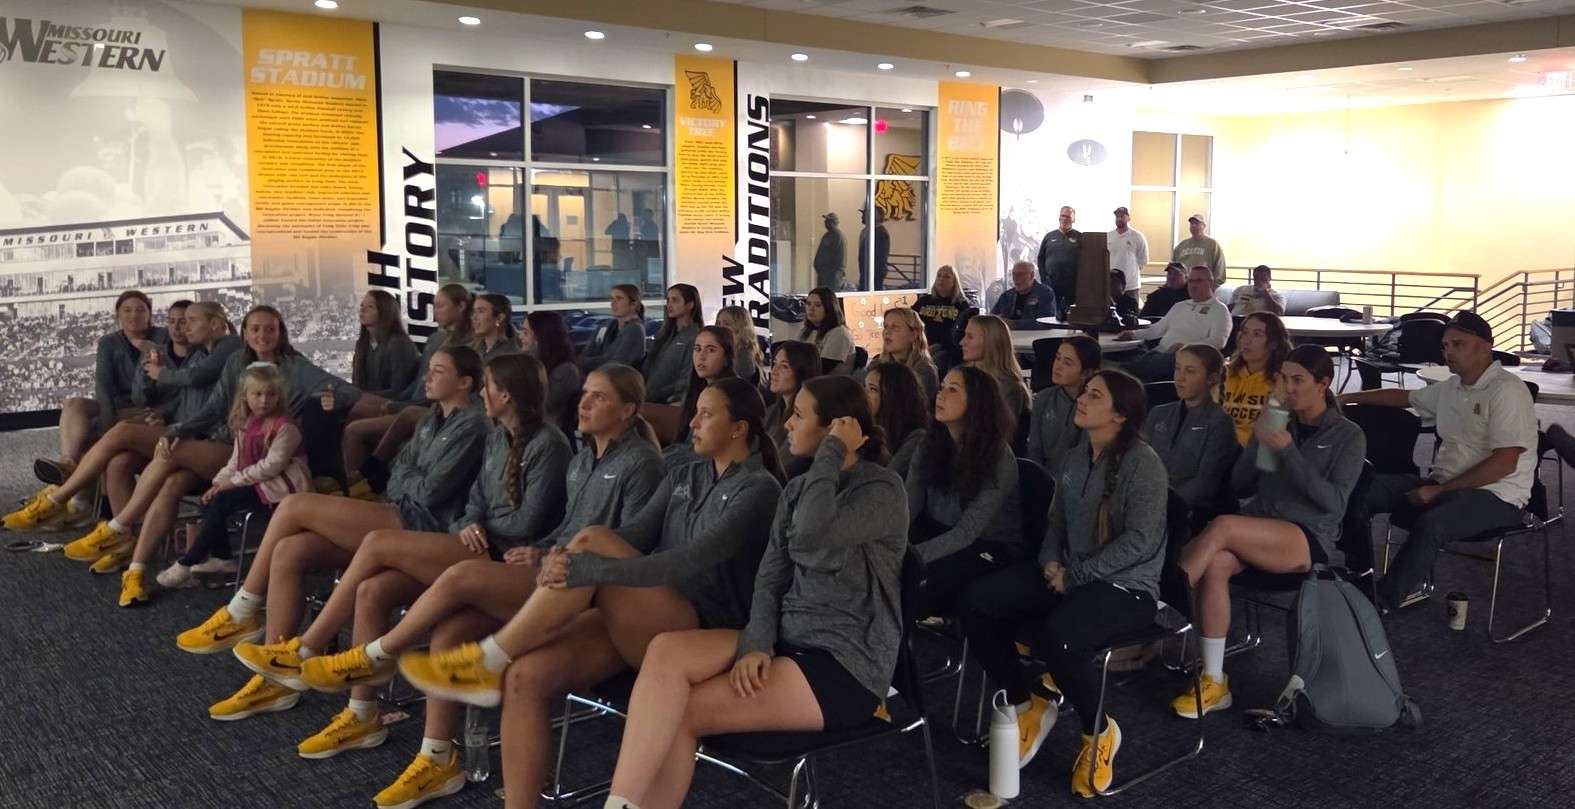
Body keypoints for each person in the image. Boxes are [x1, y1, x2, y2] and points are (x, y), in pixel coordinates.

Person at [386, 378, 783, 809]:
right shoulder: (686, 472)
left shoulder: (759, 489)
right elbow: (636, 533)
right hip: (646, 612)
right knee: (525, 678)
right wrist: (564, 556)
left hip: (702, 627)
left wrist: (591, 565)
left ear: (739, 428)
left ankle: (488, 658)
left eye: (706, 415)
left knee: (592, 540)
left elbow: (687, 560)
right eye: (696, 412)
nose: (692, 423)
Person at [281, 364, 659, 809]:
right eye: (585, 394)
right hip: (546, 568)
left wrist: (534, 550)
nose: (584, 402)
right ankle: (437, 759)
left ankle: (375, 656)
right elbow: (556, 527)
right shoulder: (582, 456)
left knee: (456, 577)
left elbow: (630, 544)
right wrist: (526, 544)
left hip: (585, 589)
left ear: (628, 410)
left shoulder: (639, 463)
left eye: (598, 397)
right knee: (448, 631)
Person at [240, 355, 570, 801]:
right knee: (374, 588)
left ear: (505, 394)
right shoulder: (496, 435)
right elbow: (469, 499)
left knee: (376, 544)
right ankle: (362, 714)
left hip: (500, 557)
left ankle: (309, 647)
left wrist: (479, 526)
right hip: (473, 542)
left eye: (488, 386)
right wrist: (469, 523)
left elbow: (525, 520)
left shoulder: (547, 443)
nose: (483, 395)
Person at [597, 375, 907, 809]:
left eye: (799, 416)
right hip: (784, 639)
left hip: (842, 663)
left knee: (683, 713)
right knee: (667, 650)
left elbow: (814, 532)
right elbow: (770, 576)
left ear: (839, 426)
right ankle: (621, 802)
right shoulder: (798, 488)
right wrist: (758, 643)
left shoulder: (880, 490)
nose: (786, 426)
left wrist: (834, 452)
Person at [176, 346, 488, 722]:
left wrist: (408, 479)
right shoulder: (430, 419)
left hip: (424, 525)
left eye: (438, 371)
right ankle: (277, 677)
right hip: (401, 509)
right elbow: (396, 476)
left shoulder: (471, 424)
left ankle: (243, 611)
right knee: (292, 550)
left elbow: (430, 491)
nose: (428, 376)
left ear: (465, 382)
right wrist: (408, 479)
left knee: (294, 507)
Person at [957, 369, 1168, 795]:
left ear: (1121, 415)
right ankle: (1025, 700)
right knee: (976, 602)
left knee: (1060, 637)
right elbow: (1055, 523)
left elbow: (1141, 541)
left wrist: (1077, 574)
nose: (1081, 401)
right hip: (1067, 572)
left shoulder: (1143, 464)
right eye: (1084, 393)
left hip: (1127, 586)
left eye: (1094, 396)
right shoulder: (1076, 456)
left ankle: (1099, 731)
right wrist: (1052, 560)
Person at [25, 306, 358, 577]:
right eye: (255, 329)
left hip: (252, 457)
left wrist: (334, 400)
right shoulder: (235, 362)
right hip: (224, 447)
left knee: (163, 447)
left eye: (270, 329)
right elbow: (211, 408)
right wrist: (175, 428)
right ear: (244, 333)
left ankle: (96, 516)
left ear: (280, 332)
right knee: (165, 476)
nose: (262, 336)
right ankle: (137, 565)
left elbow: (340, 388)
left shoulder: (293, 367)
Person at [1173, 345, 1364, 718]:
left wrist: (1290, 452)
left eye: (1298, 380)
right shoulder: (1281, 421)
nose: (1287, 388)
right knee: (1217, 563)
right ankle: (1214, 679)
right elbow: (1242, 485)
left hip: (1307, 537)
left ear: (1323, 384)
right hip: (1260, 526)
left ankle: (1163, 600)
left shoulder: (1347, 435)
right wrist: (1260, 440)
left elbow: (1333, 503)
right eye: (1283, 379)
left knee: (1223, 526)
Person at [1339, 312, 1536, 611]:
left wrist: (1438, 492)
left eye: (1458, 344)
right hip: (1444, 483)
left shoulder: (1507, 391)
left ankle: (1379, 602)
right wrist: (1346, 398)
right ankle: (1360, 575)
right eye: (1445, 346)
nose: (1449, 353)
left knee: (1432, 523)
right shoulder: (1452, 387)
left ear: (1485, 347)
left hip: (1498, 495)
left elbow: (1505, 463)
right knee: (1359, 491)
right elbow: (1404, 397)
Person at [7, 302, 239, 533]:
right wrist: (157, 399)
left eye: (189, 321)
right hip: (174, 424)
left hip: (206, 439)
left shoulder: (229, 347)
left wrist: (163, 382)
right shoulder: (195, 353)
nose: (183, 328)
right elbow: (172, 398)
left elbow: (200, 391)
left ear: (216, 324)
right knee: (119, 462)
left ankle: (58, 498)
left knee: (122, 431)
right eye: (175, 321)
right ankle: (125, 538)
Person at [152, 363, 313, 593]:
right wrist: (218, 482)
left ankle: (188, 561)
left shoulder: (286, 428)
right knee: (209, 499)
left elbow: (271, 466)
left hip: (281, 488)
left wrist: (232, 483)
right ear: (245, 396)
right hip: (255, 482)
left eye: (271, 394)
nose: (264, 400)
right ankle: (222, 557)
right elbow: (235, 462)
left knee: (222, 500)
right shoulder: (246, 424)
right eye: (257, 394)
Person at [906, 366, 1022, 614]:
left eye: (952, 389)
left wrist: (911, 557)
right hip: (938, 530)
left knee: (915, 582)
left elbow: (967, 532)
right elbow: (909, 506)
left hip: (986, 544)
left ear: (976, 403)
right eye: (941, 388)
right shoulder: (929, 443)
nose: (940, 395)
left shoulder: (998, 457)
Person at [340, 283, 472, 494]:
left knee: (355, 419)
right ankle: (353, 479)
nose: (435, 312)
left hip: (425, 406)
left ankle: (360, 483)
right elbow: (417, 383)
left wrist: (396, 404)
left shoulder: (463, 347)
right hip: (414, 400)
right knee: (352, 404)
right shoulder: (435, 339)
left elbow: (411, 388)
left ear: (461, 306)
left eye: (440, 306)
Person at [33, 290, 168, 493]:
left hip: (149, 406)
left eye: (140, 310)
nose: (134, 315)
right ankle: (68, 463)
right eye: (127, 310)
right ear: (118, 315)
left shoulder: (162, 337)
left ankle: (79, 498)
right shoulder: (109, 342)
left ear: (149, 314)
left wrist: (104, 430)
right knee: (73, 404)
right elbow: (102, 385)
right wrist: (107, 422)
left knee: (88, 433)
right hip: (119, 404)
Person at [1144, 344, 1239, 520]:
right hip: (1146, 499)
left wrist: (1159, 506)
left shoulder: (1220, 422)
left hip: (1185, 511)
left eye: (1190, 371)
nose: (1179, 378)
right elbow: (1139, 462)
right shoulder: (1158, 413)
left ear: (1211, 378)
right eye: (1177, 369)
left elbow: (1205, 484)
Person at [1118, 266, 1232, 383]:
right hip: (1159, 352)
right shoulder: (1180, 306)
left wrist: (1186, 346)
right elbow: (1157, 329)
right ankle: (1125, 371)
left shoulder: (1220, 310)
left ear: (1211, 283)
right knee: (1131, 354)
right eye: (1191, 281)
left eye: (1198, 281)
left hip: (1186, 359)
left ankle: (1123, 371)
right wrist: (1133, 334)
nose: (1193, 285)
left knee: (1132, 366)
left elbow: (1218, 342)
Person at [1025, 335, 1100, 473]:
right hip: (1045, 478)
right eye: (1057, 358)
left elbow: (1086, 457)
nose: (1057, 366)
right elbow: (1034, 449)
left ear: (1086, 373)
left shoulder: (1095, 407)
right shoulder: (1043, 398)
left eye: (1068, 363)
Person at [346, 289, 421, 420]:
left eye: (370, 307)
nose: (362, 310)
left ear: (385, 312)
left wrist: (362, 397)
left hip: (393, 404)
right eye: (362, 306)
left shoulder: (399, 344)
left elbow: (400, 389)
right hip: (366, 400)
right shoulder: (362, 343)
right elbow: (357, 383)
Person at [1222, 312, 1292, 446]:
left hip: (1255, 452)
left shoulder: (1282, 380)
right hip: (1220, 448)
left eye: (1257, 334)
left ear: (1273, 343)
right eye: (1245, 332)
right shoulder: (1226, 373)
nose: (1247, 340)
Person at [672, 326, 739, 446]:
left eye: (710, 350)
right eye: (697, 349)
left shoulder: (732, 394)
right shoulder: (698, 387)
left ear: (727, 358)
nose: (701, 357)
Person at [521, 311, 583, 432]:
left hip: (550, 433)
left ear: (540, 336)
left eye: (526, 332)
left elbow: (537, 404)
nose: (520, 336)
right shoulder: (531, 361)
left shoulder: (566, 371)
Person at [860, 307, 939, 402]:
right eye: (885, 326)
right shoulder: (876, 365)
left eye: (895, 327)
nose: (887, 332)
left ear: (913, 335)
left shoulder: (925, 371)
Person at [863, 361, 930, 474]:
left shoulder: (917, 437)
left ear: (892, 396)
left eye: (873, 389)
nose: (864, 394)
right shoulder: (868, 426)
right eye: (865, 387)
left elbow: (887, 478)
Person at [960, 314, 1030, 419]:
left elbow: (1003, 432)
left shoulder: (1009, 389)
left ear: (990, 342)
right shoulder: (964, 377)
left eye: (970, 337)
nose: (962, 342)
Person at [644, 284, 703, 403]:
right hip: (648, 397)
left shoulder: (695, 337)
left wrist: (657, 395)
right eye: (668, 300)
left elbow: (686, 378)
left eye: (675, 300)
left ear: (690, 305)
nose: (669, 305)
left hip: (666, 402)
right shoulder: (666, 333)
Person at [763, 341, 821, 453]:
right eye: (775, 363)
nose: (774, 371)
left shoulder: (803, 422)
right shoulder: (774, 410)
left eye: (784, 366)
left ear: (802, 373)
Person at [578, 283, 648, 373]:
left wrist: (584, 363)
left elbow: (618, 363)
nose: (613, 303)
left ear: (633, 304)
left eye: (619, 298)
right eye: (611, 298)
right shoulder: (607, 326)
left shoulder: (635, 330)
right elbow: (589, 350)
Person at [913, 265, 971, 371]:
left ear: (954, 282)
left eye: (946, 277)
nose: (941, 279)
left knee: (934, 362)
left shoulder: (961, 305)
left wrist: (937, 346)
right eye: (939, 276)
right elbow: (909, 321)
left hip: (946, 348)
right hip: (920, 345)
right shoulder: (924, 301)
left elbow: (959, 334)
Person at [799, 287, 856, 374]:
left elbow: (823, 368)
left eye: (817, 305)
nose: (811, 308)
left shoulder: (839, 333)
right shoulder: (806, 331)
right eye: (808, 304)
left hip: (829, 383)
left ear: (829, 308)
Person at [1036, 206, 1082, 307]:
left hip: (1071, 285)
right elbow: (1040, 258)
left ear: (1073, 219)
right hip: (1051, 283)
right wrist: (1044, 278)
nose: (1065, 219)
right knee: (1050, 312)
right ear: (1059, 217)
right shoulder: (1049, 236)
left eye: (1068, 217)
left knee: (1069, 315)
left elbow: (1085, 261)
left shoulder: (1080, 237)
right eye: (1063, 216)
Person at [992, 260, 1058, 329]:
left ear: (1032, 275)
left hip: (1034, 337)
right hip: (1008, 336)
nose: (1016, 278)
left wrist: (1014, 324)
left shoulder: (1045, 293)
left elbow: (1046, 322)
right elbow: (992, 317)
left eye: (1020, 274)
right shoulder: (1006, 296)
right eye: (1014, 274)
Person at [1107, 206, 1149, 310]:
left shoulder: (1138, 236)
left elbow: (1142, 261)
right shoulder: (1109, 236)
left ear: (1128, 218)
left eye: (1122, 216)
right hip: (1111, 287)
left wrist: (1129, 275)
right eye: (1117, 216)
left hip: (1131, 287)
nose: (1119, 219)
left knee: (1131, 316)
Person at [716, 305, 766, 387]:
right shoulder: (729, 351)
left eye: (727, 324)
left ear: (741, 327)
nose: (720, 328)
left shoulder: (742, 355)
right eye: (718, 323)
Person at [1172, 214, 1226, 287]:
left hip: (1202, 286)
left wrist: (1214, 286)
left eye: (1197, 223)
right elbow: (1174, 266)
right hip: (1183, 286)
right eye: (1191, 223)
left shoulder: (1212, 244)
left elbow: (1220, 266)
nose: (1193, 225)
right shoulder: (1181, 245)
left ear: (1204, 226)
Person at [470, 293, 521, 362]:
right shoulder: (472, 348)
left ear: (499, 318)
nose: (474, 317)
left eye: (480, 311)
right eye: (474, 312)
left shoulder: (513, 353)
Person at [813, 211, 847, 291]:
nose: (825, 222)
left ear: (833, 222)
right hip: (823, 277)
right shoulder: (827, 235)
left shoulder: (838, 236)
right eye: (825, 221)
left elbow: (841, 260)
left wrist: (835, 276)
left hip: (832, 280)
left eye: (828, 221)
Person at [859, 206, 891, 290]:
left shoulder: (880, 233)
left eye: (864, 214)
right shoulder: (868, 231)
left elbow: (880, 259)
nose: (862, 216)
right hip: (867, 274)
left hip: (873, 276)